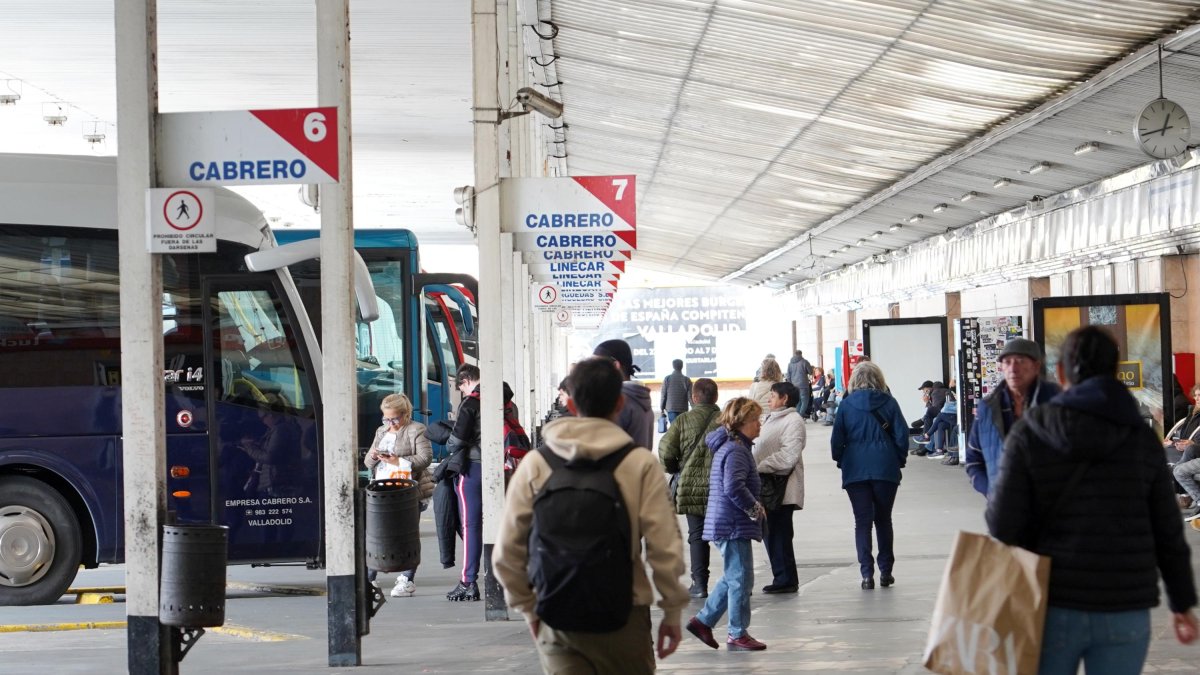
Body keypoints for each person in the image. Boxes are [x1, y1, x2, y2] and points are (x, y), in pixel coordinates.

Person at [987, 326, 1198, 674]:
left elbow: (1002, 525)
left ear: (1059, 372)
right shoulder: (1140, 437)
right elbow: (1167, 529)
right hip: (1124, 604)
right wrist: (1181, 603)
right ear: (1116, 370)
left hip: (1049, 601)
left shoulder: (1032, 430)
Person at [492, 357, 688, 674]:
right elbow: (665, 547)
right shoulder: (640, 463)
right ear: (620, 402)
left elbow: (506, 553)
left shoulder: (536, 463)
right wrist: (672, 611)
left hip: (557, 613)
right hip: (625, 612)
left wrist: (529, 609)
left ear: (568, 402)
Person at [686, 397, 768, 652]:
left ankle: (703, 621)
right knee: (742, 579)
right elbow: (733, 486)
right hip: (733, 523)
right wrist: (754, 508)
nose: (759, 425)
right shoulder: (736, 450)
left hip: (726, 521)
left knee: (734, 576)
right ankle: (737, 632)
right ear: (742, 422)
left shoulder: (732, 447)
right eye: (755, 420)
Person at [830, 361, 908, 590]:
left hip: (855, 470)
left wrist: (842, 460)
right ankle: (886, 571)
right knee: (884, 520)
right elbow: (902, 436)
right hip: (885, 468)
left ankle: (866, 573)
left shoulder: (845, 405)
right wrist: (898, 459)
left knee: (862, 522)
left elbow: (837, 440)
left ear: (854, 380)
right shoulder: (890, 403)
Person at [964, 338, 1060, 497]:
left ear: (1036, 366)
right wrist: (991, 491)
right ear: (1001, 368)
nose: (1013, 369)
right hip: (1003, 509)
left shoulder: (1058, 402)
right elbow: (973, 460)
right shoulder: (987, 408)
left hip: (1051, 506)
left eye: (1021, 361)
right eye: (1007, 362)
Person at [363, 393, 433, 597]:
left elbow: (425, 459)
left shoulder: (416, 430)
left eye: (394, 419)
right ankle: (369, 577)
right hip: (382, 490)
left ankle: (407, 579)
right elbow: (368, 462)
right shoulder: (381, 431)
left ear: (406, 414)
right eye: (386, 418)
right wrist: (375, 455)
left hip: (409, 491)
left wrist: (397, 461)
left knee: (407, 535)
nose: (390, 423)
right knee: (376, 534)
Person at [658, 378, 722, 598]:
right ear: (716, 397)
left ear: (694, 398)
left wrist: (675, 468)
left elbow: (666, 450)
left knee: (697, 535)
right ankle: (737, 579)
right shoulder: (725, 420)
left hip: (691, 485)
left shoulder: (683, 420)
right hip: (720, 485)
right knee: (729, 534)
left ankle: (700, 585)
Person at [752, 382, 806, 594]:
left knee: (779, 533)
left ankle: (786, 579)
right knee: (771, 532)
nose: (769, 399)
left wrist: (760, 466)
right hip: (769, 486)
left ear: (785, 399)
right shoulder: (772, 418)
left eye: (773, 396)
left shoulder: (793, 421)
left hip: (782, 488)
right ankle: (782, 576)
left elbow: (789, 455)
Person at [445, 364, 483, 602]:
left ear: (467, 380)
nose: (461, 390)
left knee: (471, 526)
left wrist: (446, 440)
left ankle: (468, 581)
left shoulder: (471, 403)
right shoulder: (508, 402)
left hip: (473, 469)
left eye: (461, 386)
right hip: (503, 468)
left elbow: (457, 440)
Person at [594, 339, 655, 449]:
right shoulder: (639, 396)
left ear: (615, 365)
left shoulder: (618, 401)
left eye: (597, 365)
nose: (593, 371)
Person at [660, 358, 693, 425]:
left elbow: (663, 395)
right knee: (682, 429)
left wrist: (662, 408)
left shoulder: (667, 379)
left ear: (673, 366)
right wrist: (694, 408)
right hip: (683, 409)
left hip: (671, 408)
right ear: (682, 366)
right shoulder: (687, 380)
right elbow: (690, 396)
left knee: (674, 429)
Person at [786, 350, 813, 419]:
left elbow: (788, 376)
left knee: (798, 402)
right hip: (803, 385)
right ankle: (800, 416)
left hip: (794, 385)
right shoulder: (804, 362)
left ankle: (797, 416)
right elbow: (810, 372)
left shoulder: (790, 364)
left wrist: (791, 385)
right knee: (805, 401)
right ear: (801, 354)